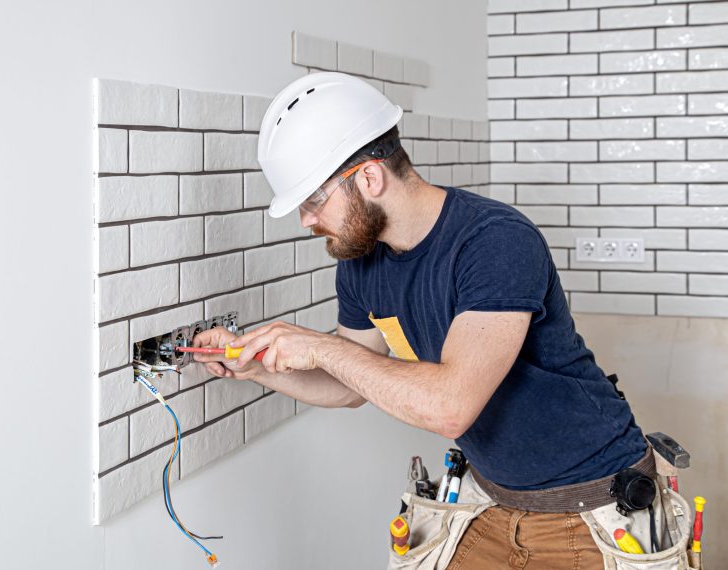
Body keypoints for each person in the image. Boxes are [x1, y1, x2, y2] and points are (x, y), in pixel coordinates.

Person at [192, 72, 651, 568]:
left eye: (313, 201)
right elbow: (350, 384)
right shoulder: (361, 261)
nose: (306, 220)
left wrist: (320, 346)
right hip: (493, 499)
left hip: (594, 505)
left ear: (369, 178)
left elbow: (451, 407)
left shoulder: (495, 242)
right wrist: (255, 366)